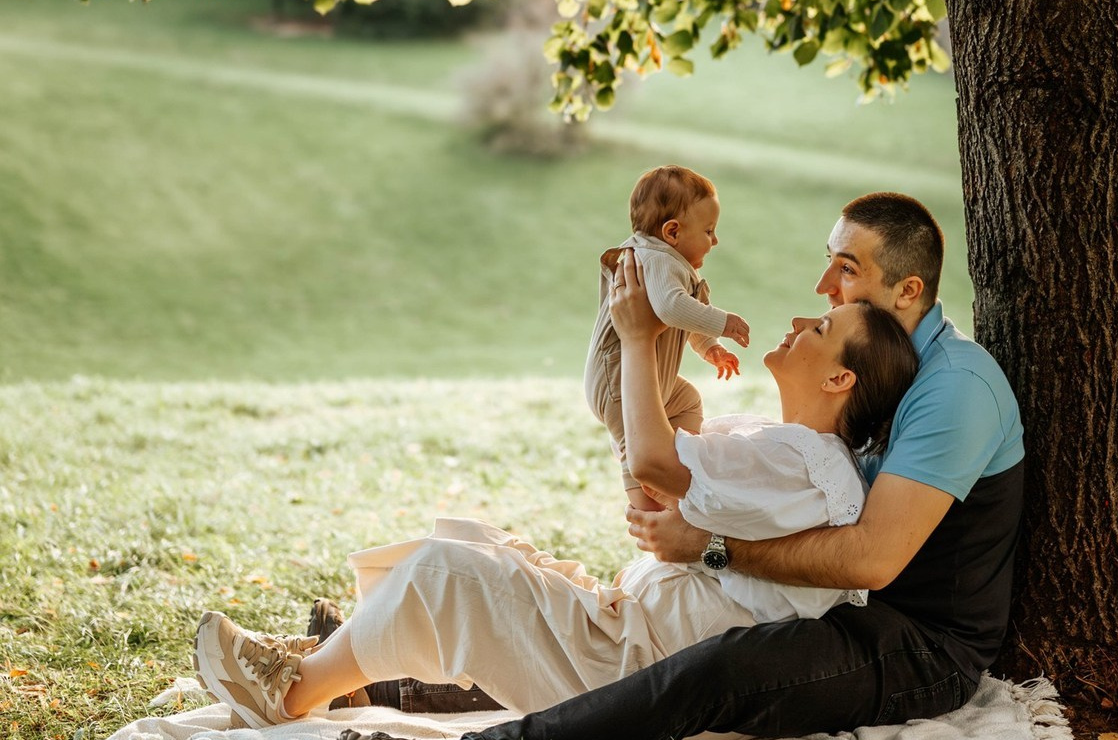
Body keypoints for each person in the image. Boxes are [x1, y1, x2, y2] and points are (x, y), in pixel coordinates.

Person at [191, 286, 918, 728]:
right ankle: (324, 669)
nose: (800, 319)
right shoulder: (782, 445)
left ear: (840, 379)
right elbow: (662, 482)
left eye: (821, 330)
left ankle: (287, 694)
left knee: (453, 572)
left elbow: (652, 463)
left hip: (643, 667)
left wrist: (637, 339)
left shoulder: (810, 465)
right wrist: (655, 350)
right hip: (633, 631)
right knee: (478, 545)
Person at [460, 191, 1025, 740]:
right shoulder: (877, 359)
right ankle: (412, 687)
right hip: (833, 600)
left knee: (724, 666)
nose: (824, 287)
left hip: (917, 641)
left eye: (847, 269)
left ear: (908, 290)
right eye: (828, 262)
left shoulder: (955, 388)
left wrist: (710, 546)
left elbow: (872, 560)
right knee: (656, 630)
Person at [586, 164, 752, 510]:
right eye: (709, 231)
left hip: (651, 376)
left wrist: (709, 347)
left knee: (687, 399)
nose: (715, 241)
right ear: (673, 232)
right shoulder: (656, 258)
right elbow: (672, 308)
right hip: (618, 377)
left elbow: (681, 316)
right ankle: (647, 507)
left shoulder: (667, 261)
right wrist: (723, 323)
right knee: (635, 449)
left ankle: (680, 466)